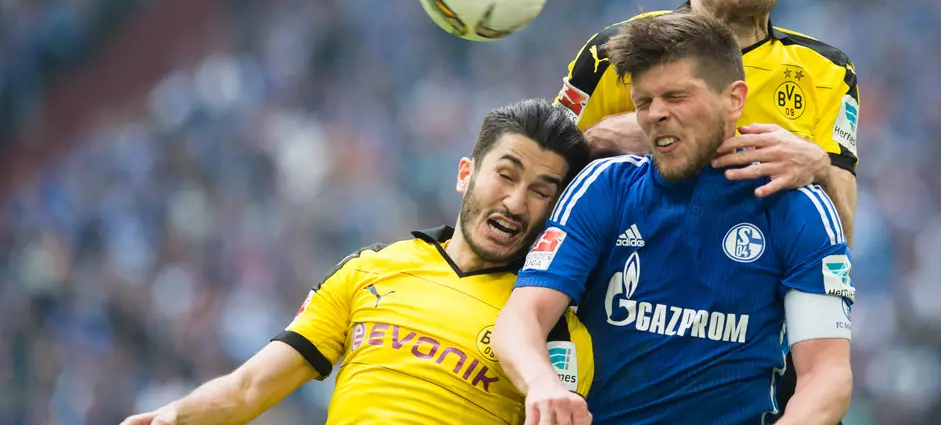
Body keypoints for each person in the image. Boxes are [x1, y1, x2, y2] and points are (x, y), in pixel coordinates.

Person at [121, 100, 595, 425]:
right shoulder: (369, 270)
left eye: (540, 191)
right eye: (506, 175)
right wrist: (174, 416)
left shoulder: (551, 328)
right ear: (465, 174)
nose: (515, 202)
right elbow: (249, 388)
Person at [496, 13, 854, 425]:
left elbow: (826, 377)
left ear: (734, 98)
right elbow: (521, 318)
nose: (655, 115)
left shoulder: (797, 207)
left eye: (676, 96)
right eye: (644, 102)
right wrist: (542, 382)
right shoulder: (604, 187)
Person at [554, 0, 860, 246]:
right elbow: (537, 182)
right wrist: (594, 143)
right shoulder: (612, 53)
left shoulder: (828, 71)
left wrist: (818, 168)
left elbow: (844, 236)